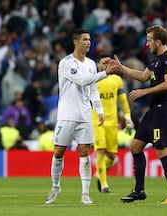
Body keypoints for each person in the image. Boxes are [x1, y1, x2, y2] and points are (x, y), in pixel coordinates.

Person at [45, 29, 120, 205]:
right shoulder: (65, 63)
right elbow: (82, 81)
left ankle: (85, 193)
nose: (88, 42)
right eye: (85, 39)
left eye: (90, 39)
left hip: (85, 115)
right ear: (76, 42)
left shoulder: (91, 64)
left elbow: (92, 88)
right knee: (58, 152)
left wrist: (99, 110)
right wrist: (105, 73)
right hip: (67, 115)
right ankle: (56, 186)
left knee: (84, 152)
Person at [115, 25, 167, 204]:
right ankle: (139, 190)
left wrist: (144, 92)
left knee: (162, 151)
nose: (147, 44)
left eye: (150, 41)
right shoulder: (155, 60)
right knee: (136, 147)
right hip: (153, 111)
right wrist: (122, 69)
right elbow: (143, 76)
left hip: (163, 110)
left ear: (159, 42)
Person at [92, 53, 133, 193]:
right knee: (101, 151)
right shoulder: (93, 80)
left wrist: (127, 117)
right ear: (98, 65)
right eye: (104, 63)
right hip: (96, 120)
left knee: (112, 156)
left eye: (109, 63)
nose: (106, 65)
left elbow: (122, 100)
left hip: (112, 121)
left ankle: (99, 174)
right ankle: (104, 185)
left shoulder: (117, 80)